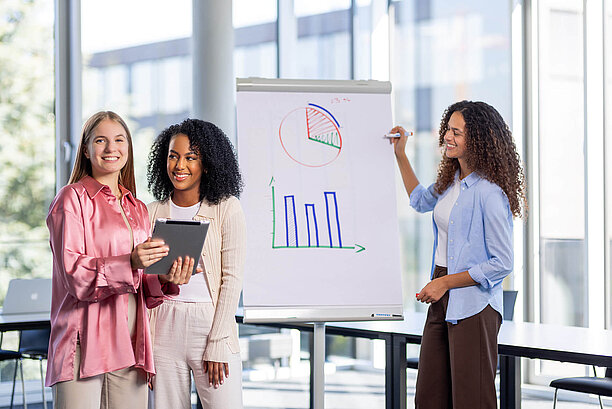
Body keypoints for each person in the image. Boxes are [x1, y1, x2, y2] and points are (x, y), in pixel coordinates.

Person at [46, 111, 196, 409]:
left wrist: (165, 277)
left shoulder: (137, 206)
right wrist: (131, 262)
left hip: (129, 343)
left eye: (119, 140)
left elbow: (141, 282)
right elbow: (75, 276)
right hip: (82, 341)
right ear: (86, 150)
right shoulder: (71, 199)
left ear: (128, 148)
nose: (110, 148)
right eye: (100, 140)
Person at [390, 101, 527, 409]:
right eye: (447, 130)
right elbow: (419, 200)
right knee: (430, 396)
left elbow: (503, 262)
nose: (447, 138)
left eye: (457, 132)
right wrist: (400, 154)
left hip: (473, 304)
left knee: (472, 400)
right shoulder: (450, 181)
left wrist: (447, 283)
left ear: (478, 139)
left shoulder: (490, 193)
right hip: (441, 295)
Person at [146, 118, 246, 409]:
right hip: (162, 327)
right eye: (173, 156)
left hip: (211, 324)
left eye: (191, 158)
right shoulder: (151, 212)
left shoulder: (227, 208)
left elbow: (232, 280)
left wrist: (217, 340)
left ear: (208, 163)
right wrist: (146, 351)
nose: (180, 166)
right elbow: (142, 281)